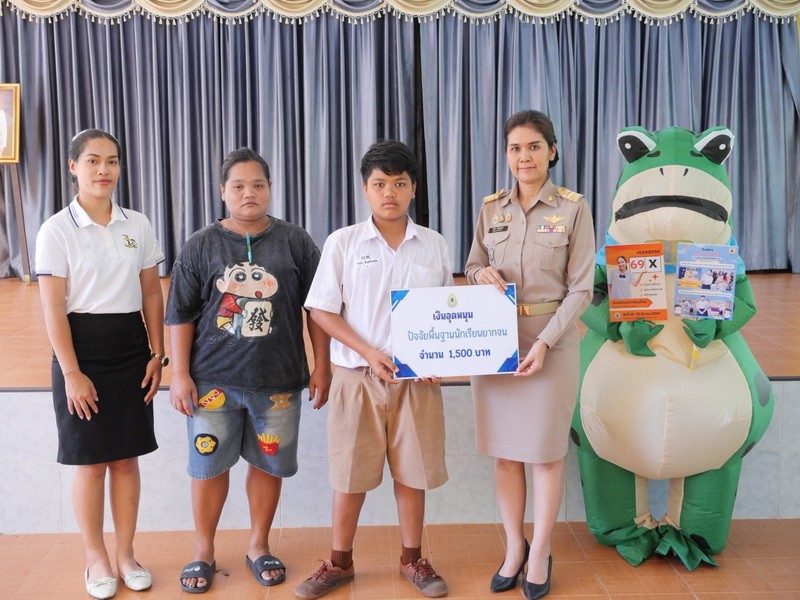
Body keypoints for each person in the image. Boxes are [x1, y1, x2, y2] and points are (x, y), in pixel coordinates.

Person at [165, 148, 331, 594]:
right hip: (212, 383)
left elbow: (318, 309)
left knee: (268, 465)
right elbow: (179, 313)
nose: (248, 193)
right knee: (208, 468)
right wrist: (179, 375)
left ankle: (259, 545)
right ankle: (203, 550)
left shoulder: (296, 242)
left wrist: (322, 366)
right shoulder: (201, 244)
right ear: (223, 191)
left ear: (270, 188)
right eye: (238, 186)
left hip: (278, 382)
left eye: (257, 185)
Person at [296, 140, 453, 600]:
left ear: (413, 189)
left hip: (415, 381)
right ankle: (339, 563)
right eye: (380, 184)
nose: (390, 193)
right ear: (365, 189)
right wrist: (367, 352)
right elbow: (321, 310)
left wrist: (439, 358)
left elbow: (447, 313)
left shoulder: (434, 245)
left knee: (414, 474)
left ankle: (412, 559)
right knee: (349, 476)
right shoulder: (343, 242)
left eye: (400, 184)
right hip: (356, 379)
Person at [464, 110, 595, 600]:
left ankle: (540, 551)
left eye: (534, 146)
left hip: (550, 342)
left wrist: (544, 342)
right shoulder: (491, 209)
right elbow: (472, 263)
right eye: (515, 148)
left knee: (544, 455)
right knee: (505, 455)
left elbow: (581, 289)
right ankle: (513, 548)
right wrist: (480, 275)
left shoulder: (574, 208)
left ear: (551, 151)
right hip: (495, 342)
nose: (524, 157)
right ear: (506, 155)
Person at [35, 129, 165, 599]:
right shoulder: (56, 230)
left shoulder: (138, 224)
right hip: (80, 351)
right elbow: (53, 308)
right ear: (73, 166)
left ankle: (126, 554)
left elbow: (151, 293)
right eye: (92, 161)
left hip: (131, 348)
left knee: (126, 459)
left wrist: (157, 353)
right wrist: (72, 373)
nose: (103, 170)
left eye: (112, 161)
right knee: (90, 463)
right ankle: (96, 558)